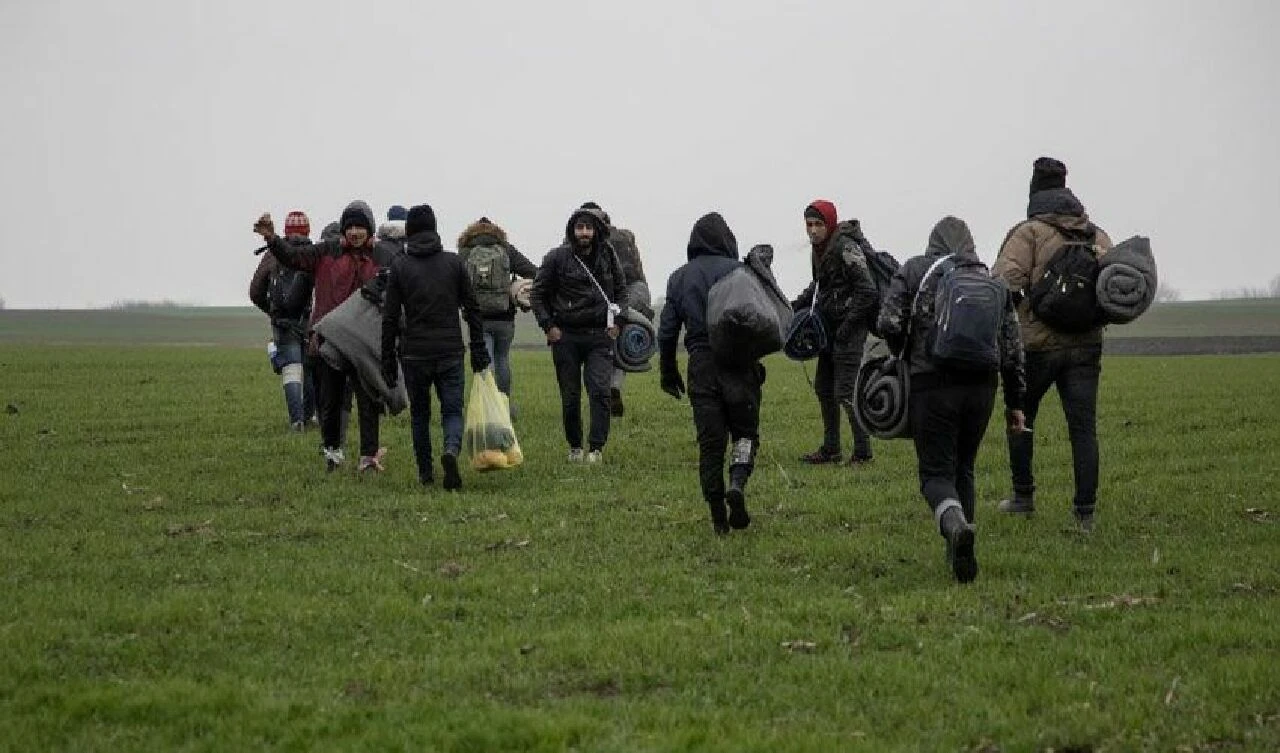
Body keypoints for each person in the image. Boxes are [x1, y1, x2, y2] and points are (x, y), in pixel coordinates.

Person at [877, 216, 1027, 582]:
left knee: (935, 473)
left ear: (933, 243)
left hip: (932, 384)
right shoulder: (993, 281)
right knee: (964, 468)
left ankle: (955, 525)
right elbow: (1012, 348)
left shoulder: (916, 270)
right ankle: (959, 554)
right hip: (982, 388)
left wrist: (904, 353)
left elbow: (888, 323)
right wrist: (1015, 403)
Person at [992, 157, 1114, 533]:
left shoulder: (1028, 232)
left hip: (1037, 345)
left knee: (1019, 418)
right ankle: (1085, 513)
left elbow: (1003, 283)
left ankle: (1023, 497)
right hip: (1086, 346)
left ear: (1034, 192)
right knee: (1083, 429)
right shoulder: (1096, 235)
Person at [253, 200, 396, 473]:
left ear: (370, 229)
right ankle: (332, 452)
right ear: (343, 229)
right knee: (329, 401)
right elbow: (294, 257)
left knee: (368, 401)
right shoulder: (326, 252)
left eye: (360, 227)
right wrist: (272, 239)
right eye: (350, 227)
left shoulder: (382, 257)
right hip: (328, 340)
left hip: (364, 343)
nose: (354, 232)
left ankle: (368, 457)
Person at [658, 213, 764, 535]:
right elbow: (758, 319)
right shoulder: (740, 272)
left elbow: (666, 332)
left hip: (701, 364)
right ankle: (737, 482)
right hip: (739, 363)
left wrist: (668, 370)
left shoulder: (679, 277)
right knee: (745, 434)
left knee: (710, 444)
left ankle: (718, 517)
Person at [381, 204, 490, 491]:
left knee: (420, 415)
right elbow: (472, 308)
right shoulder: (453, 263)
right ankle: (451, 451)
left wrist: (387, 360)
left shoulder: (400, 266)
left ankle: (426, 474)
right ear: (435, 228)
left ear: (410, 232)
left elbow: (390, 318)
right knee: (452, 411)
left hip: (414, 353)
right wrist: (478, 347)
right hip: (450, 350)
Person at [531, 205, 628, 463]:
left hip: (599, 335)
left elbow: (622, 291)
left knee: (600, 391)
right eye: (579, 227)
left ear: (596, 231)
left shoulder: (608, 255)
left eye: (588, 228)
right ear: (572, 231)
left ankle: (596, 448)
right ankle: (575, 446)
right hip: (566, 336)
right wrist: (548, 326)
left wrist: (618, 322)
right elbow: (537, 294)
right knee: (570, 396)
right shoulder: (556, 258)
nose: (584, 232)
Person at [791, 199, 878, 466]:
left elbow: (868, 290)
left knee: (846, 391)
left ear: (829, 223)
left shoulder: (845, 247)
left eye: (818, 224)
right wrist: (790, 307)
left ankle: (863, 453)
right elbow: (819, 287)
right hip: (828, 330)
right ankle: (831, 450)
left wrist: (848, 326)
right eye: (809, 225)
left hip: (849, 331)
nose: (813, 230)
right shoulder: (819, 250)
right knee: (824, 388)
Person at [457, 216, 538, 402]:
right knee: (502, 359)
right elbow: (534, 272)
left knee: (487, 360)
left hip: (477, 317)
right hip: (504, 317)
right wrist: (518, 288)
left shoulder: (465, 252)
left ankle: (489, 403)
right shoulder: (506, 250)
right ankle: (503, 403)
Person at [249, 210, 316, 431]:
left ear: (285, 231)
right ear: (308, 230)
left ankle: (296, 421)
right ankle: (310, 416)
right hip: (308, 320)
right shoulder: (313, 252)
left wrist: (272, 311)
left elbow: (256, 290)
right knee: (311, 369)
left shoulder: (273, 254)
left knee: (291, 369)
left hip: (282, 323)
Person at [581, 201, 645, 418]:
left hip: (601, 298)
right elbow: (637, 272)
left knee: (596, 347)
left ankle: (600, 395)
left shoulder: (581, 239)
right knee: (621, 340)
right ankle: (615, 385)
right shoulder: (626, 237)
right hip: (634, 293)